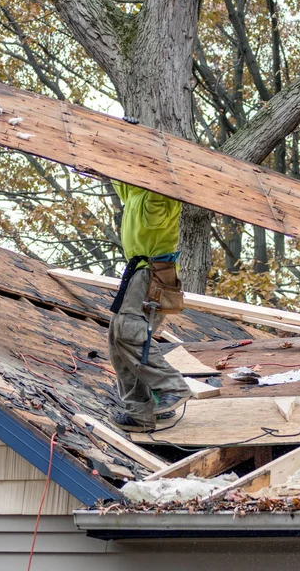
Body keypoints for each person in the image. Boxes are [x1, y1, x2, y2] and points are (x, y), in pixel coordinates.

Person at [109, 182, 191, 433]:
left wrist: (155, 178)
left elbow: (154, 218)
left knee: (129, 331)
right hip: (138, 271)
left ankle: (172, 387)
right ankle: (140, 413)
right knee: (117, 340)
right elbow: (118, 177)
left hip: (153, 272)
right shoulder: (134, 191)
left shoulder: (162, 193)